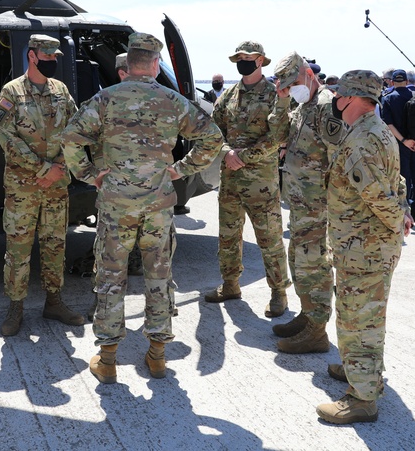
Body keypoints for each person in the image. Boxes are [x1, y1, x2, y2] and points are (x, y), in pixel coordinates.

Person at [60, 32, 223, 383]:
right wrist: (180, 169)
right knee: (158, 277)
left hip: (116, 204)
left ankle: (107, 360)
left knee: (110, 277)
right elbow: (213, 138)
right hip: (158, 205)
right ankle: (157, 356)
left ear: (128, 64)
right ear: (152, 64)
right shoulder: (172, 100)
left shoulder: (105, 99)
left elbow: (71, 138)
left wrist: (90, 175)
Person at [316, 70, 412, 424]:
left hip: (364, 249)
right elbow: (397, 180)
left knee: (359, 321)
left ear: (353, 98)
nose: (336, 101)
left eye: (340, 96)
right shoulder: (376, 129)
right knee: (364, 316)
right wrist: (403, 210)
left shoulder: (361, 140)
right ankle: (360, 370)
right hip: (366, 245)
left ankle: (362, 399)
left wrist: (398, 218)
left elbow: (376, 193)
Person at [0, 34, 85, 336]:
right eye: (48, 57)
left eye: (55, 57)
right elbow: (7, 137)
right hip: (24, 186)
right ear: (32, 56)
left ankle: (54, 302)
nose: (53, 62)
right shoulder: (12, 92)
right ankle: (15, 307)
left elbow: (75, 129)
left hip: (56, 185)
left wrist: (61, 167)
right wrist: (44, 168)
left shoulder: (60, 91)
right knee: (18, 249)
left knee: (55, 244)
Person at [204, 41, 290, 317]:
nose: (243, 61)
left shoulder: (274, 94)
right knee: (228, 236)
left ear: (261, 60)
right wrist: (227, 152)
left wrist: (245, 156)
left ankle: (279, 293)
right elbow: (212, 130)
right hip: (230, 180)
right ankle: (230, 284)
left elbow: (278, 136)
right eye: (239, 57)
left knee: (270, 239)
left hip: (260, 183)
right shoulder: (228, 95)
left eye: (248, 57)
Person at [268, 52, 342, 354]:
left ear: (308, 73)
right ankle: (307, 314)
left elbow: (339, 158)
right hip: (300, 204)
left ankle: (317, 330)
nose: (290, 88)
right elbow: (277, 136)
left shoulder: (326, 105)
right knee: (299, 262)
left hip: (318, 205)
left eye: (293, 83)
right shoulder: (302, 104)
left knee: (315, 264)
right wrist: (282, 101)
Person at [380, 69, 415, 222]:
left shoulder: (388, 98)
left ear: (392, 83)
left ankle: (405, 210)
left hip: (400, 144)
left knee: (403, 178)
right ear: (407, 82)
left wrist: (404, 141)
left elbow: (388, 123)